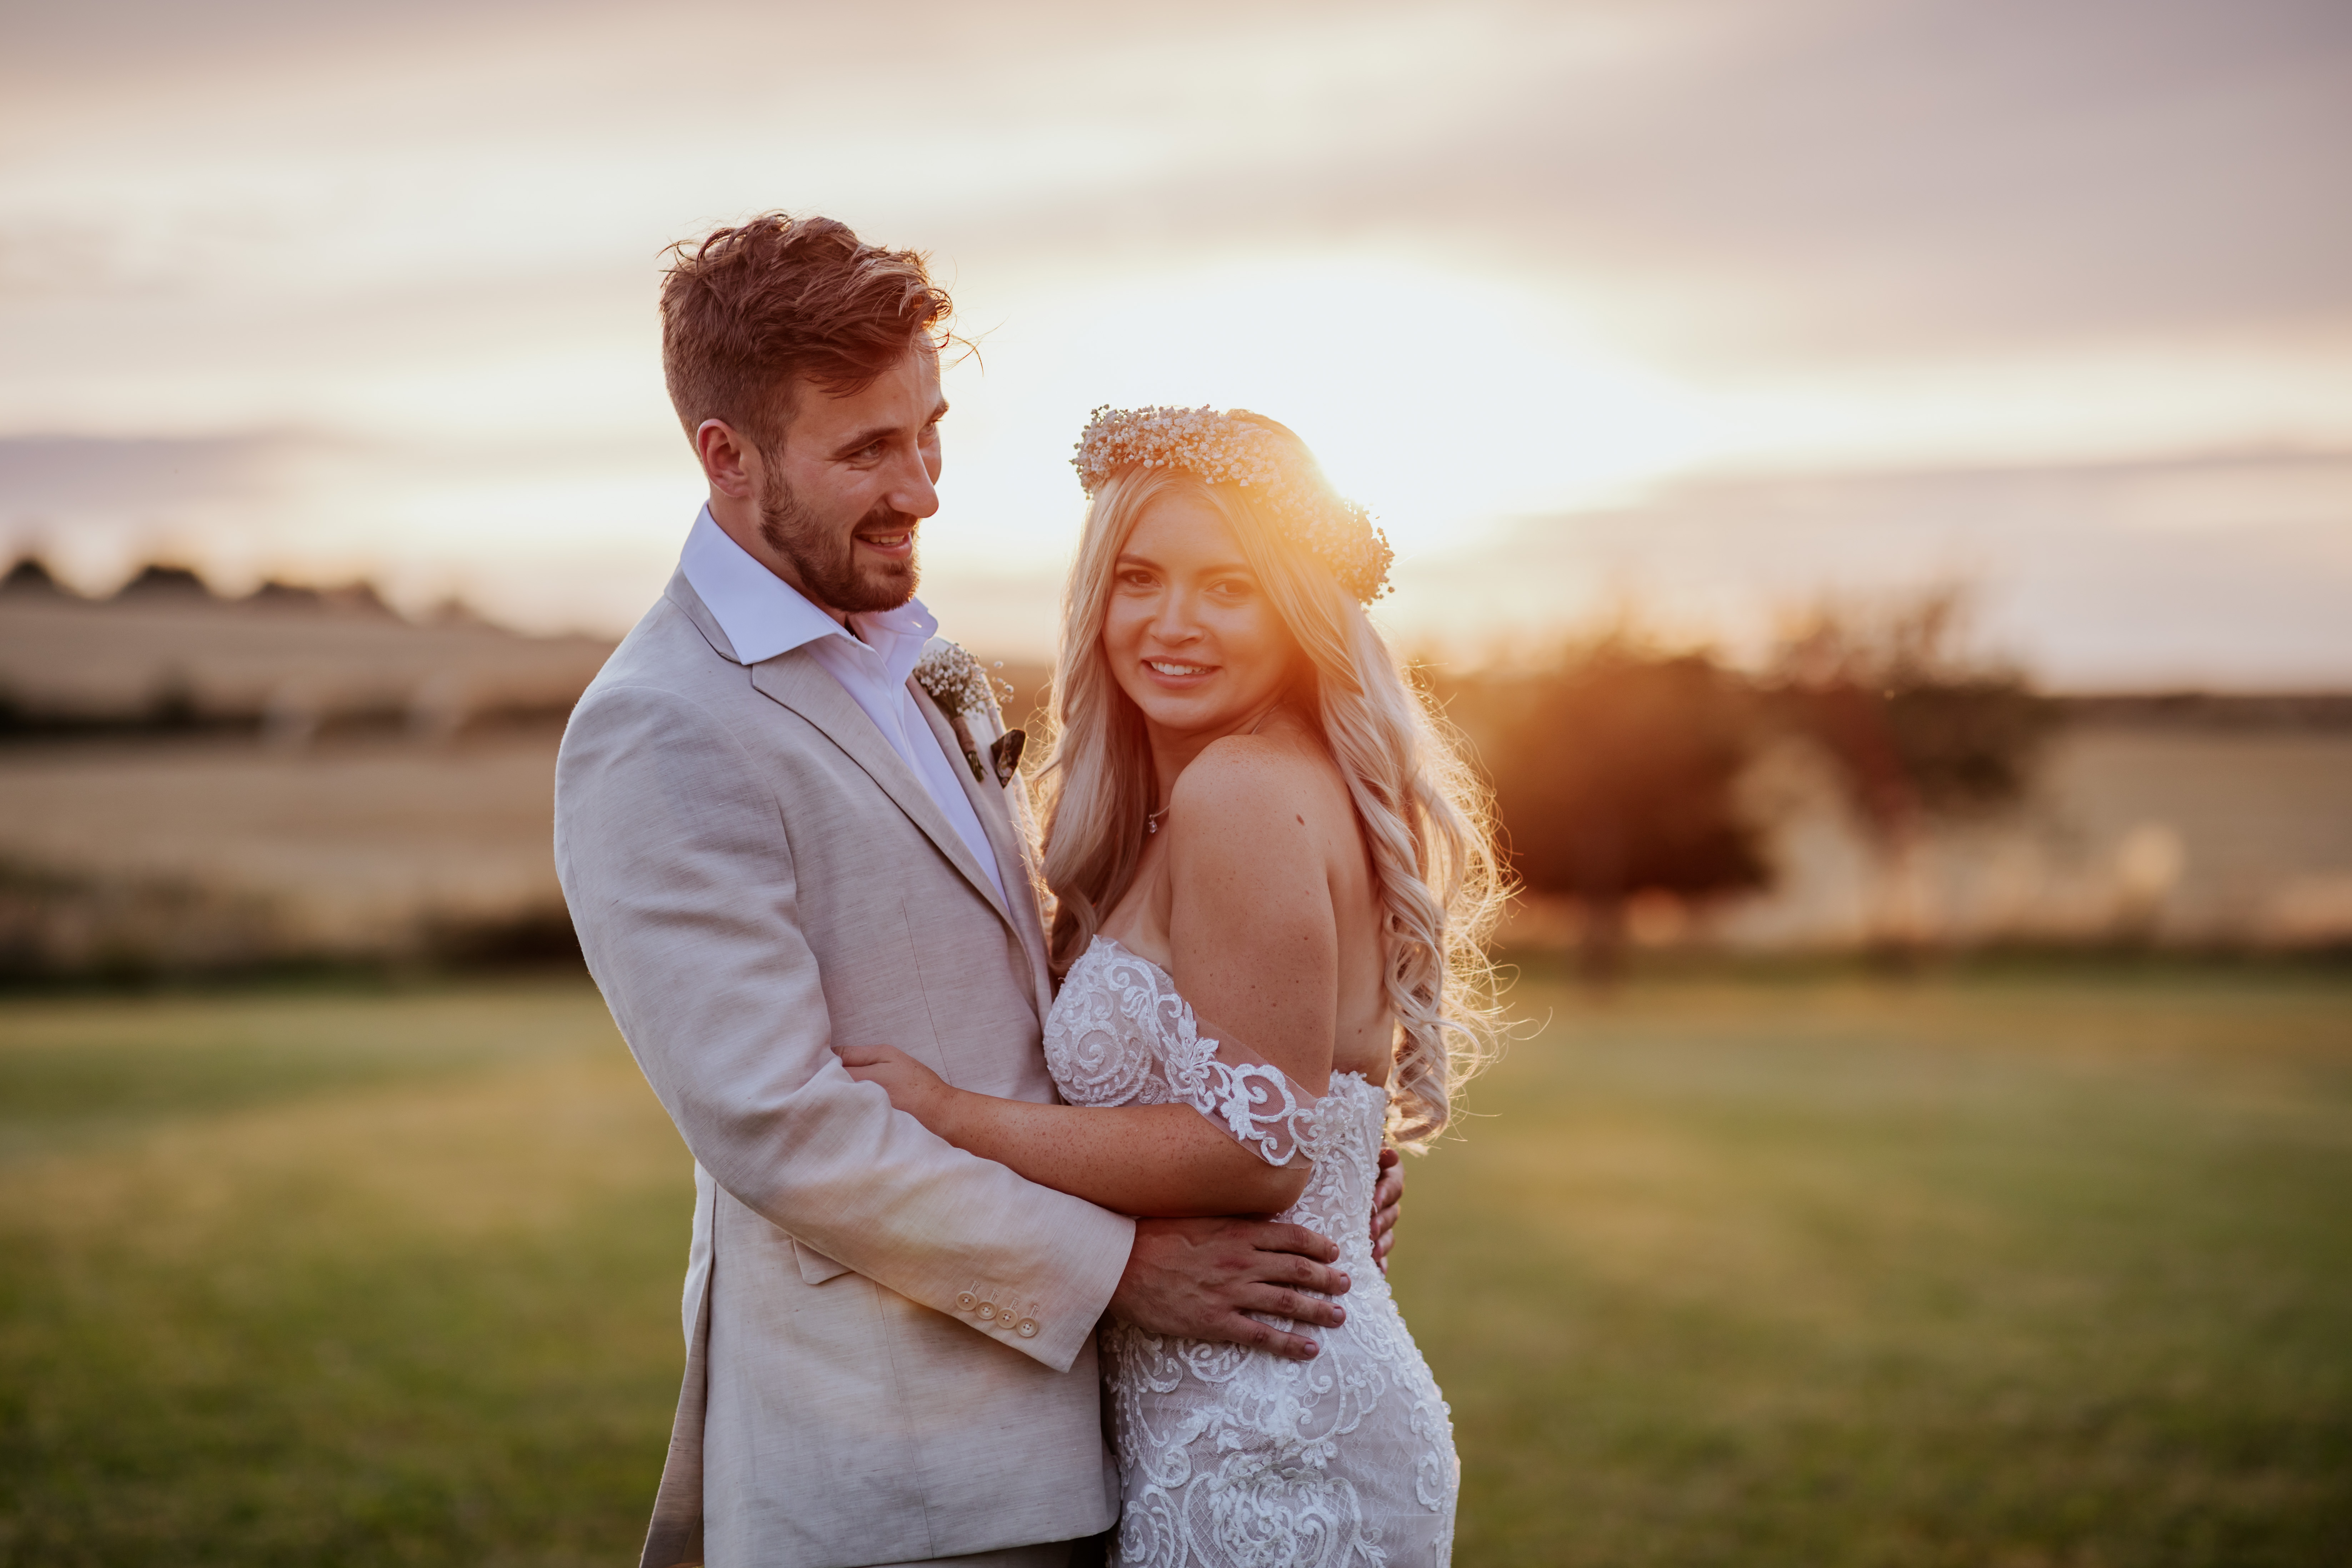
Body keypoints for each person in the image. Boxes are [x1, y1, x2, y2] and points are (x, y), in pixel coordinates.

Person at [555, 215, 1402, 1568]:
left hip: (1094, 1436)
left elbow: (1047, 1003)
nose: (925, 489)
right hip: (895, 1455)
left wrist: (1300, 1158)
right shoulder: (664, 727)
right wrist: (1128, 1264)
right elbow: (785, 1127)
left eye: (928, 430)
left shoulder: (909, 653)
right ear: (726, 458)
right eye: (868, 452)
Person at [844, 406, 1506, 1565]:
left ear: (1298, 608)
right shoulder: (1206, 796)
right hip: (1219, 1407)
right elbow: (1302, 1106)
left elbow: (1255, 1149)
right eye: (1139, 578)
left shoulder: (1239, 793)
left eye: (1229, 588)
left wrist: (954, 1120)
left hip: (1271, 1434)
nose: (1173, 624)